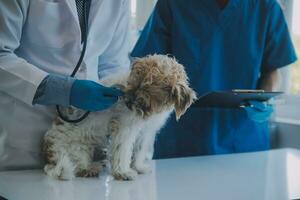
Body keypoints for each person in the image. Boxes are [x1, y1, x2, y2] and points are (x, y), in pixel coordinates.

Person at [131, 0, 297, 158]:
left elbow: (272, 70)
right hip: (183, 142)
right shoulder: (172, 4)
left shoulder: (266, 7)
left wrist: (263, 99)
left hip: (245, 141)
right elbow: (149, 65)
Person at [0, 0, 130, 170]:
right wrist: (59, 89)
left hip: (87, 139)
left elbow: (113, 64)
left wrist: (115, 100)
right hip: (25, 135)